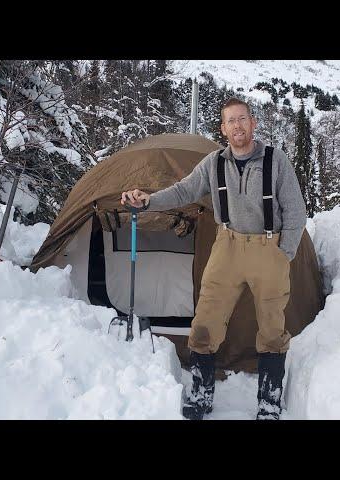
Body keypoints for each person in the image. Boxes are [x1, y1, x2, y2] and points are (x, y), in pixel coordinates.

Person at [121, 97, 307, 420]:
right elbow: (183, 191)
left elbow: (296, 211)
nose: (237, 126)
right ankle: (201, 394)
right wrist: (148, 201)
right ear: (223, 129)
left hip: (268, 247)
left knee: (273, 329)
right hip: (228, 245)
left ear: (253, 124)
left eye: (242, 119)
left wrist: (284, 253)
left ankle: (269, 401)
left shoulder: (277, 162)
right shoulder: (214, 163)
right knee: (205, 319)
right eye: (230, 121)